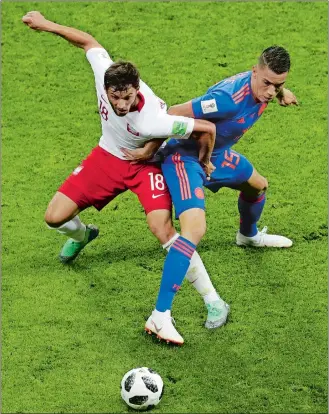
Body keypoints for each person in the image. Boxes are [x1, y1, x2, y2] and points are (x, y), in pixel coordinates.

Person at [22, 11, 230, 344]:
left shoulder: (153, 120)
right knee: (54, 218)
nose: (120, 104)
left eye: (127, 97)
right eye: (114, 97)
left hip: (145, 166)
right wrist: (45, 24)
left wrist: (203, 162)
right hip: (106, 157)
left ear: (137, 89)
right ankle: (81, 236)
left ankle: (213, 301)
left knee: (164, 231)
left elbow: (206, 128)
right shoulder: (105, 74)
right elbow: (87, 41)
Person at [123, 46, 297, 344]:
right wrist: (151, 149)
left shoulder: (267, 87)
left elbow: (273, 87)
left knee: (257, 185)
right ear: (254, 72)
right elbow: (171, 114)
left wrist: (283, 94)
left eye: (277, 85)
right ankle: (160, 314)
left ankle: (248, 236)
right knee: (194, 231)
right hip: (185, 159)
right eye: (267, 83)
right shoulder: (226, 101)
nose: (271, 91)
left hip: (215, 156)